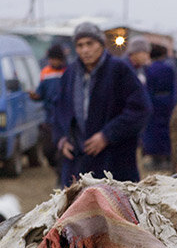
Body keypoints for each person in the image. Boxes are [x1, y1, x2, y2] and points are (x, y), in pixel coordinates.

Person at [50, 22, 149, 185]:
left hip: (114, 163)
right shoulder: (70, 74)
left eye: (90, 44)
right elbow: (59, 108)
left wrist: (107, 135)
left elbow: (141, 109)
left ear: (101, 45)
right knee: (76, 208)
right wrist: (62, 139)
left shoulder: (119, 70)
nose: (85, 50)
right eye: (80, 45)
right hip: (77, 164)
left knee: (113, 208)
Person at [140, 43, 177, 172]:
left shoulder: (148, 69)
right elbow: (175, 87)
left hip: (153, 101)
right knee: (167, 129)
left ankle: (154, 158)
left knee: (152, 129)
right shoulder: (170, 68)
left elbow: (147, 87)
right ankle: (167, 157)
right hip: (167, 101)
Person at [32, 43, 68, 168]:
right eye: (52, 59)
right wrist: (34, 96)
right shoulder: (45, 72)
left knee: (62, 148)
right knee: (48, 149)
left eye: (56, 59)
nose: (54, 61)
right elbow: (40, 93)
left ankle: (61, 173)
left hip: (64, 118)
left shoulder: (68, 71)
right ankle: (55, 167)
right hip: (49, 118)